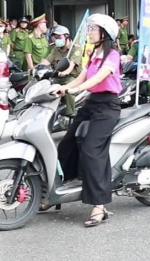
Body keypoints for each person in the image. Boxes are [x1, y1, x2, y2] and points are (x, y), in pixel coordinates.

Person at [51, 13, 123, 228]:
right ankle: (59, 190)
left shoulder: (113, 55)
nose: (89, 32)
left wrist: (75, 89)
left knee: (93, 150)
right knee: (66, 143)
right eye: (90, 28)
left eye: (93, 29)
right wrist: (66, 87)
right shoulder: (94, 53)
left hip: (108, 107)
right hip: (92, 103)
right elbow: (84, 75)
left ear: (104, 34)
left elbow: (99, 77)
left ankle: (99, 206)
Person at [41, 25, 81, 116]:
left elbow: (72, 64)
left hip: (72, 77)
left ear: (66, 37)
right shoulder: (56, 49)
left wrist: (65, 72)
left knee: (68, 89)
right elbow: (47, 61)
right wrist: (38, 68)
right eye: (55, 37)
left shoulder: (75, 47)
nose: (56, 39)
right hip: (57, 77)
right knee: (46, 89)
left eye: (59, 37)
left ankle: (70, 113)